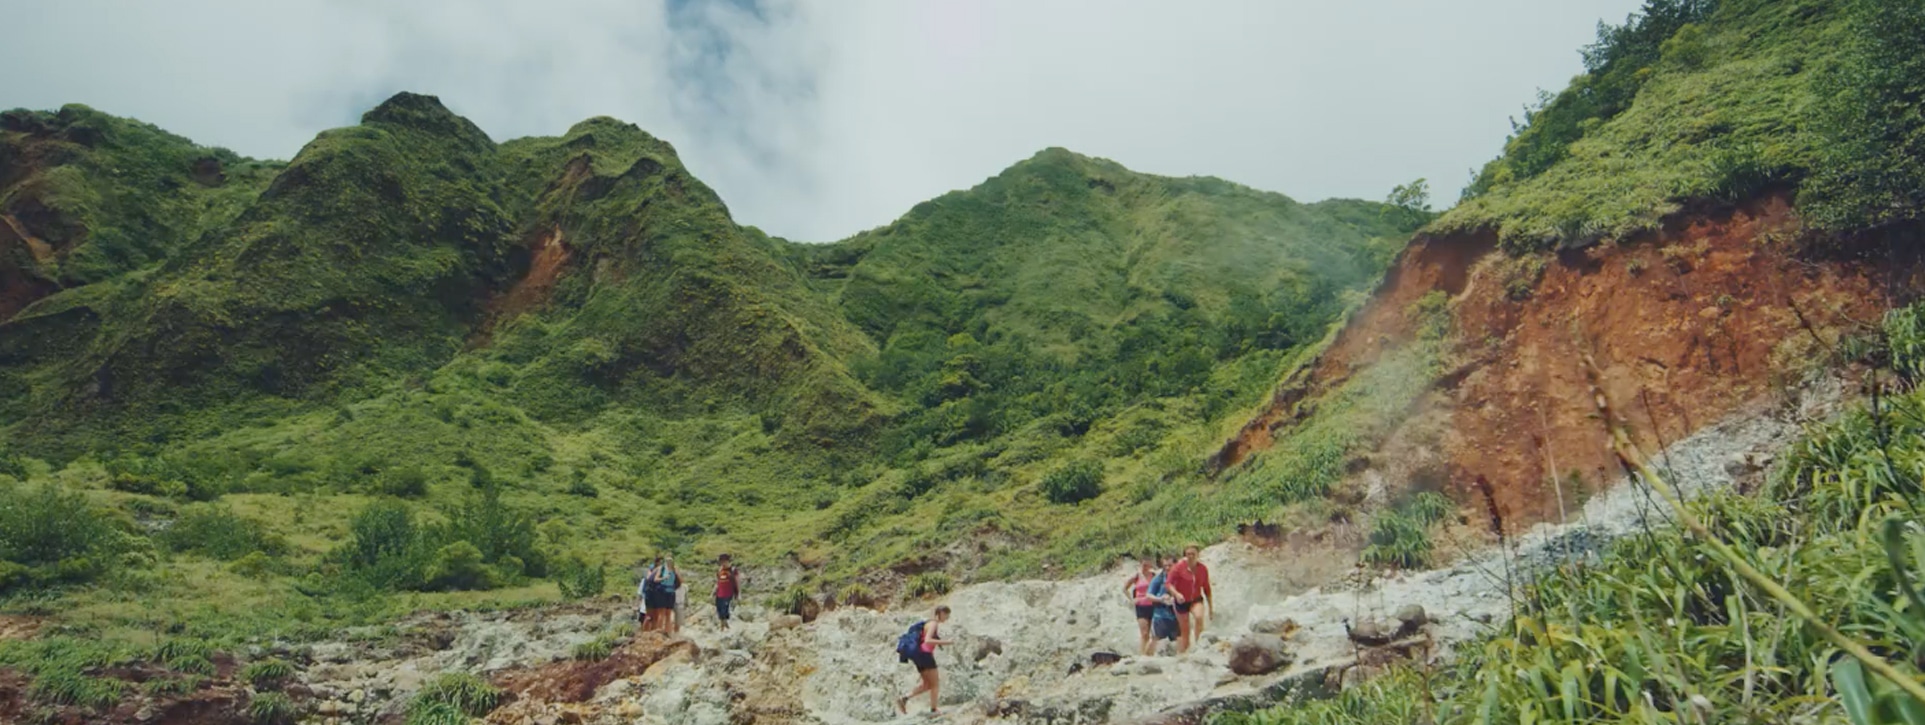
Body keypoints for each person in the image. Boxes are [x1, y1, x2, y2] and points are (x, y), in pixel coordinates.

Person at [897, 605, 955, 715]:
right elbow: (928, 640)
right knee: (935, 684)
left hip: (920, 656)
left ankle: (904, 698)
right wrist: (947, 642)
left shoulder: (928, 623)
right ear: (941, 613)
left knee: (927, 684)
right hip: (925, 655)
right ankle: (934, 710)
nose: (947, 618)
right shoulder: (933, 624)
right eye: (946, 615)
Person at [1124, 555, 1161, 656]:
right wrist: (1132, 600)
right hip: (1141, 606)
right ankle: (1142, 654)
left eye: (1148, 565)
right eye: (1144, 565)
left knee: (1155, 632)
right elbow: (1125, 588)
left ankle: (1149, 653)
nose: (1145, 567)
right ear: (1141, 564)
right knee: (1144, 633)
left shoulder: (1154, 576)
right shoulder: (1136, 576)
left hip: (1153, 605)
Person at [1166, 548, 1200, 654]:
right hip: (1176, 603)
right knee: (1183, 629)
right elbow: (1168, 584)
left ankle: (1197, 646)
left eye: (1169, 565)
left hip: (1188, 600)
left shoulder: (1194, 567)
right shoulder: (1175, 570)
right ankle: (1184, 652)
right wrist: (1176, 594)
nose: (1167, 568)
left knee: (1195, 619)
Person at [1181, 545, 1214, 636]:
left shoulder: (1202, 569)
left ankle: (1199, 643)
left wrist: (1210, 608)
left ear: (1197, 555)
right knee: (1183, 626)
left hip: (1196, 599)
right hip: (1181, 601)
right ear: (1185, 555)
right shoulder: (1179, 568)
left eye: (1193, 554)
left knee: (1199, 617)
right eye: (1188, 554)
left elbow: (1207, 588)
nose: (1191, 556)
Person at [714, 553, 741, 631]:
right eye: (721, 562)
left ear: (727, 561)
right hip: (719, 593)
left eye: (724, 562)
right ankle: (723, 625)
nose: (722, 564)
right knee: (719, 609)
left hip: (728, 593)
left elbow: (738, 581)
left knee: (725, 609)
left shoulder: (733, 570)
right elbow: (717, 582)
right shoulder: (720, 570)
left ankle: (724, 627)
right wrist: (713, 593)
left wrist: (739, 594)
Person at [639, 556, 665, 632]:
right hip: (650, 595)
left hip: (654, 595)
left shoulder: (657, 571)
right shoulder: (654, 570)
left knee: (655, 616)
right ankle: (644, 633)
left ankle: (652, 632)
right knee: (649, 616)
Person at [660, 553, 683, 636]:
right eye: (667, 560)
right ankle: (663, 631)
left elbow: (680, 581)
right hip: (663, 591)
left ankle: (668, 632)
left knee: (668, 614)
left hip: (671, 592)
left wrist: (676, 572)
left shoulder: (675, 569)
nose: (669, 562)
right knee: (663, 613)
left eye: (670, 560)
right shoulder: (662, 569)